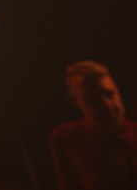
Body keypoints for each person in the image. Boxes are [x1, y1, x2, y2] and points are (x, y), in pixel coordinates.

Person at [49, 60, 137, 190]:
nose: (106, 104)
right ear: (75, 102)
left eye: (109, 94)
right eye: (92, 98)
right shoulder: (66, 139)